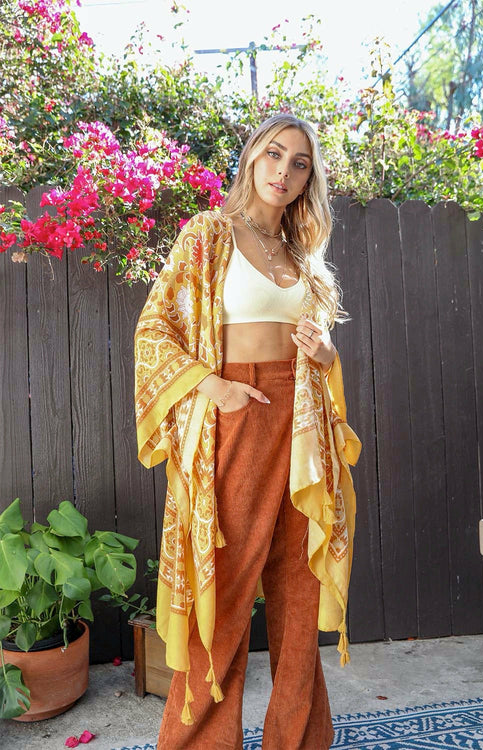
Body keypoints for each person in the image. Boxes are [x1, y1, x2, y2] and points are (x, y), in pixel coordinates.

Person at [134, 113, 362, 750]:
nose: (283, 171)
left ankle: (299, 740)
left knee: (299, 594)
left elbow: (316, 346)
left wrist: (326, 354)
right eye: (274, 154)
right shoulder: (209, 235)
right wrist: (215, 388)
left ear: (308, 180)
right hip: (238, 415)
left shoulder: (303, 258)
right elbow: (154, 329)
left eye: (299, 163)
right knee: (225, 593)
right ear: (252, 158)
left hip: (304, 423)